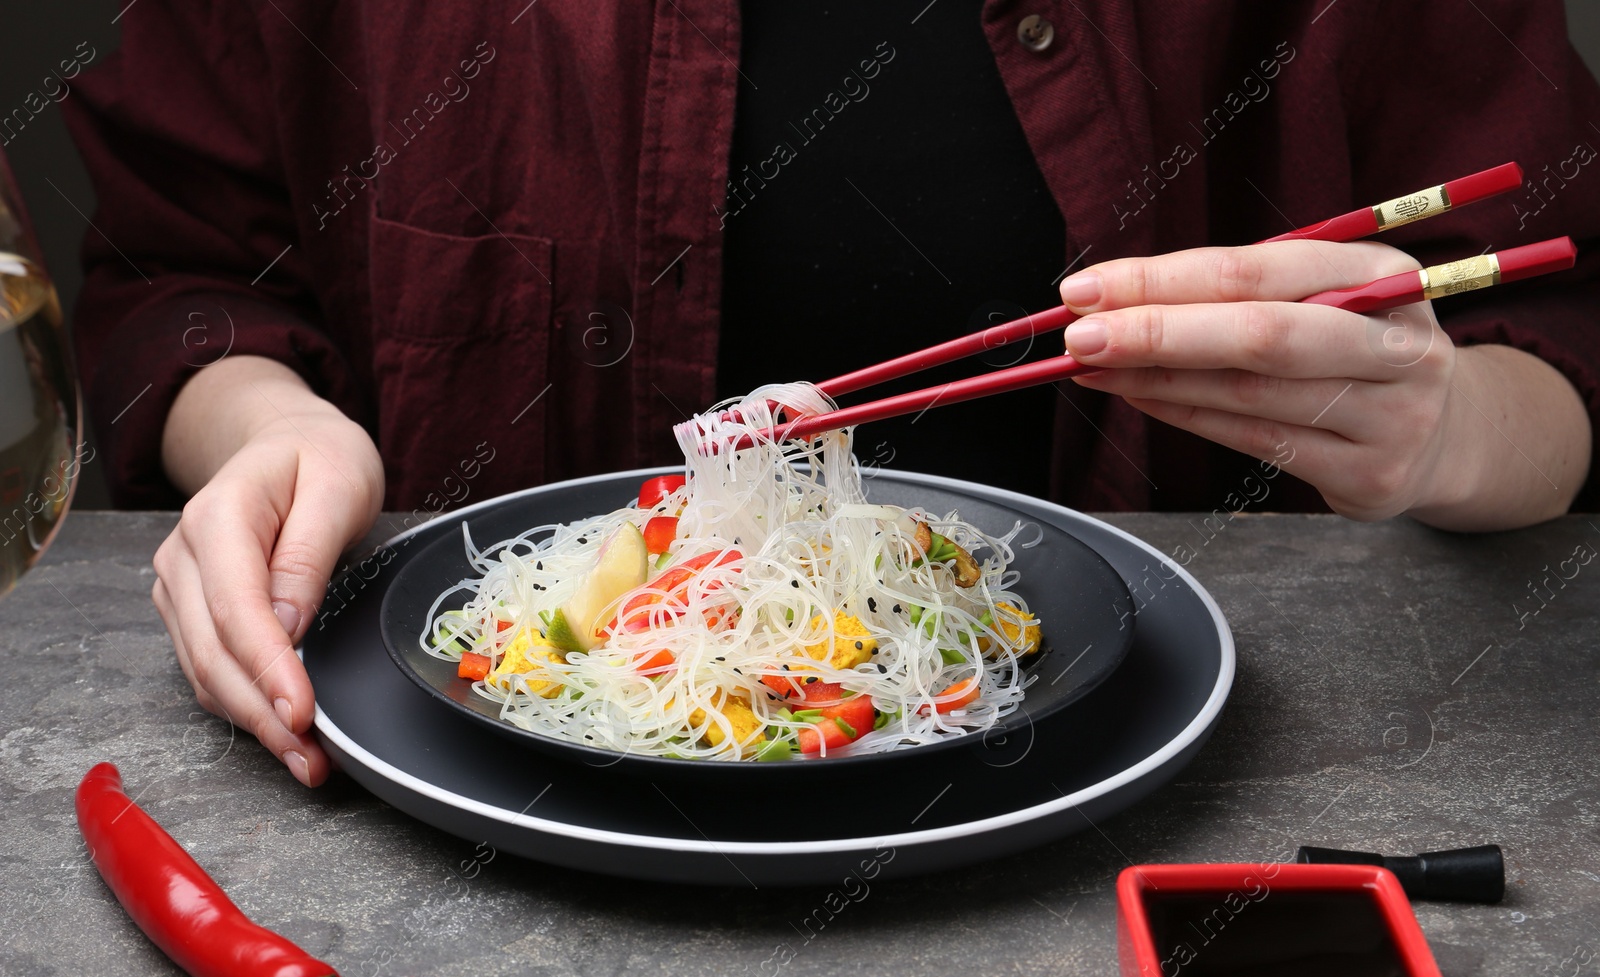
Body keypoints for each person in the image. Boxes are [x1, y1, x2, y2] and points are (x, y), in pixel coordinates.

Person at [63, 1, 1600, 785]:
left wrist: (1450, 429)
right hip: (462, 823)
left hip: (1164, 809)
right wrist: (267, 429)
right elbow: (179, 277)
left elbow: (1562, 330)